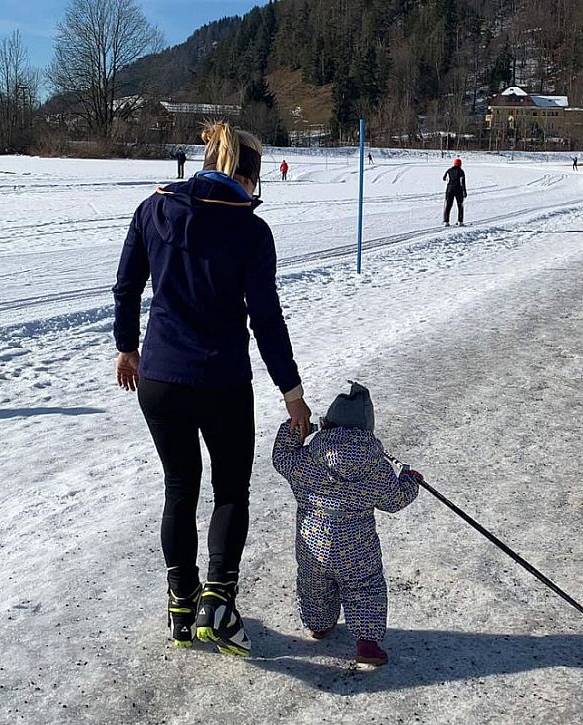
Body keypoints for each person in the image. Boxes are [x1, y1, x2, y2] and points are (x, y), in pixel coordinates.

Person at [112, 120, 312, 657]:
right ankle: (217, 603)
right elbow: (266, 320)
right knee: (229, 492)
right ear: (246, 175)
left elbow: (126, 284)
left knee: (180, 487)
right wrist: (291, 391)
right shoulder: (250, 230)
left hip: (158, 378)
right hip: (221, 382)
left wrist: (126, 346)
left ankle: (181, 604)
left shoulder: (153, 209)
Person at [272, 382, 421, 667]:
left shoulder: (305, 460)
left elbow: (281, 458)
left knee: (313, 584)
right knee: (365, 589)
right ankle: (367, 642)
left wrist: (297, 428)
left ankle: (318, 624)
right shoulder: (376, 467)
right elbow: (395, 499)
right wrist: (410, 481)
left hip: (312, 545)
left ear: (327, 423)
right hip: (358, 550)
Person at [442, 158, 467, 226]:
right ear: (460, 164)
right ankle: (460, 221)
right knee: (460, 205)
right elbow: (463, 182)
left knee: (448, 205)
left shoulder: (449, 170)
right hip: (458, 190)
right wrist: (464, 191)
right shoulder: (461, 171)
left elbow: (444, 178)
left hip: (449, 189)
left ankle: (446, 221)